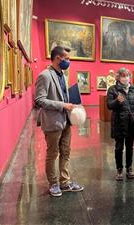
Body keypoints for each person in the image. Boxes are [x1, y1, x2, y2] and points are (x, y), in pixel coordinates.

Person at [35, 46, 84, 197]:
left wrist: (72, 103)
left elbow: (63, 95)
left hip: (66, 121)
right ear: (58, 58)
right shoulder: (45, 75)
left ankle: (65, 182)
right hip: (52, 121)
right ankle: (53, 184)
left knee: (66, 152)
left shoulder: (63, 74)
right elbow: (39, 100)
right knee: (53, 153)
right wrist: (63, 105)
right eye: (67, 58)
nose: (68, 61)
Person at [107, 68, 134, 181]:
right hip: (119, 121)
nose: (126, 78)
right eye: (123, 76)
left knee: (130, 147)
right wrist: (117, 100)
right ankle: (119, 169)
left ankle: (129, 168)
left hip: (131, 122)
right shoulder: (113, 89)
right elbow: (109, 105)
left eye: (127, 75)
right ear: (118, 77)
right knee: (119, 147)